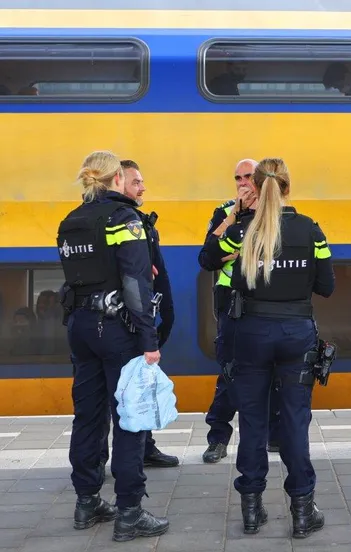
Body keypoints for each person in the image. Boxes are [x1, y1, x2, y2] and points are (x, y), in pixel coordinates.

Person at [201, 158, 333, 538]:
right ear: (288, 186)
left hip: (251, 334)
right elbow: (326, 286)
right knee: (294, 421)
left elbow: (208, 257)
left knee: (253, 422)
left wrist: (235, 217)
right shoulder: (311, 229)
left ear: (256, 188)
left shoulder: (243, 230)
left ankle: (252, 510)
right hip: (296, 334)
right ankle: (303, 511)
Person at [58, 151, 169, 541]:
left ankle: (87, 501)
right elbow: (136, 285)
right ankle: (129, 512)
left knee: (88, 416)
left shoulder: (71, 221)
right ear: (117, 179)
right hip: (117, 331)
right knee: (130, 419)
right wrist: (149, 340)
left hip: (80, 328)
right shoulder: (125, 219)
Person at [96, 160, 179, 477]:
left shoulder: (142, 222)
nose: (142, 187)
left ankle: (145, 447)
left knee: (139, 387)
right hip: (119, 321)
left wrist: (166, 316)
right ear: (118, 182)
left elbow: (157, 274)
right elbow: (128, 276)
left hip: (140, 318)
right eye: (136, 182)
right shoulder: (115, 221)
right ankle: (102, 459)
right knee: (112, 392)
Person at [198, 159, 281, 464]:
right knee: (231, 370)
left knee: (274, 368)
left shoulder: (274, 209)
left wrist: (230, 250)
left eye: (249, 176)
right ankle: (218, 438)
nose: (243, 182)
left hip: (269, 298)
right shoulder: (224, 211)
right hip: (231, 301)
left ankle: (275, 436)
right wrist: (233, 216)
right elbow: (208, 255)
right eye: (238, 177)